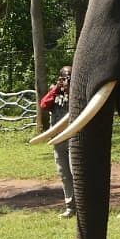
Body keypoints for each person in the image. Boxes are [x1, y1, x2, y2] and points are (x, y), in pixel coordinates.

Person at [39, 65, 76, 218]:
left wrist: (71, 87)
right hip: (58, 139)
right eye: (65, 77)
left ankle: (84, 205)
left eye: (70, 77)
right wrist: (57, 88)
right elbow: (44, 104)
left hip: (75, 138)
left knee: (76, 172)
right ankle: (70, 207)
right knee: (64, 174)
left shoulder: (77, 92)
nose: (67, 80)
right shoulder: (55, 94)